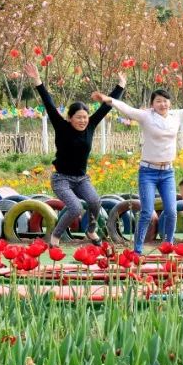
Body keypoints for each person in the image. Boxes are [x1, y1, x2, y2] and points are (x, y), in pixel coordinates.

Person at [97, 79, 183, 254]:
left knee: (171, 211)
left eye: (165, 100)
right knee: (146, 211)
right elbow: (126, 108)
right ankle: (137, 250)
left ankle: (167, 246)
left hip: (167, 172)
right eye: (158, 101)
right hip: (148, 172)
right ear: (152, 104)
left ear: (169, 102)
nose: (162, 104)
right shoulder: (146, 116)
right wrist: (108, 99)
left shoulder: (177, 115)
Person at [24, 63, 124, 247]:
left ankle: (91, 231)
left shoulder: (91, 125)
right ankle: (56, 235)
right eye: (78, 117)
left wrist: (120, 87)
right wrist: (38, 81)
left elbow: (106, 107)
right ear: (70, 118)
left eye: (85, 117)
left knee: (95, 202)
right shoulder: (61, 126)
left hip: (81, 179)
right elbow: (49, 103)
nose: (83, 120)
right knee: (76, 207)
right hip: (61, 179)